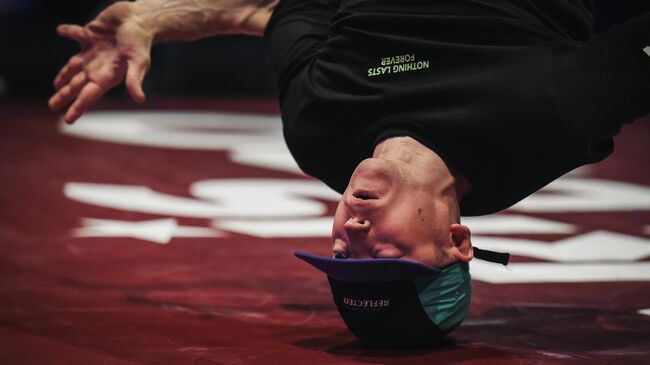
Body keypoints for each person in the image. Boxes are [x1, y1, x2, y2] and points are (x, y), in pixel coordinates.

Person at [49, 0, 650, 347]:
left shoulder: (320, 130)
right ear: (458, 242)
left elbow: (269, 9)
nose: (350, 237)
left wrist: (152, 18)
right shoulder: (548, 120)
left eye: (340, 259)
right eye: (382, 257)